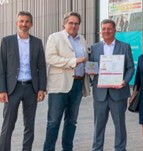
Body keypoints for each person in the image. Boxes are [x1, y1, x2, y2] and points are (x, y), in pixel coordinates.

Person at [43, 12, 90, 151]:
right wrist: (73, 61)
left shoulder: (82, 39)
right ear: (64, 23)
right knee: (53, 122)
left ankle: (67, 148)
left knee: (72, 122)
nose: (74, 26)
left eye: (76, 23)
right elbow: (50, 58)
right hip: (59, 87)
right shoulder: (55, 37)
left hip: (77, 85)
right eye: (71, 23)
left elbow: (85, 59)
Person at [0, 11, 47, 151]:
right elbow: (1, 67)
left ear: (31, 24)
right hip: (12, 89)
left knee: (29, 125)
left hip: (31, 89)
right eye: (21, 21)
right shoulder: (7, 41)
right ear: (17, 23)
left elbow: (42, 67)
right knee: (8, 125)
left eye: (27, 21)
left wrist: (41, 88)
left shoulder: (37, 42)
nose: (24, 24)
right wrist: (2, 90)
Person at [90, 19, 134, 151]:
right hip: (100, 94)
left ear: (115, 30)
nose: (106, 31)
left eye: (109, 28)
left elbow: (130, 68)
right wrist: (90, 72)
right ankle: (97, 149)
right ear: (100, 31)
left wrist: (125, 81)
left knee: (120, 125)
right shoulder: (94, 47)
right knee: (98, 126)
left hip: (118, 93)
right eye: (103, 29)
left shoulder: (125, 46)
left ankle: (120, 149)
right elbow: (92, 67)